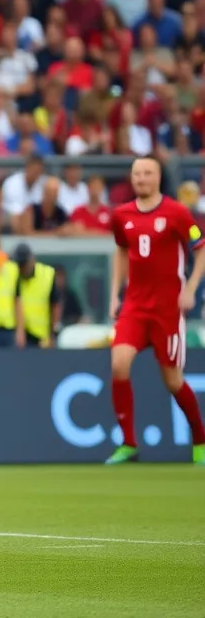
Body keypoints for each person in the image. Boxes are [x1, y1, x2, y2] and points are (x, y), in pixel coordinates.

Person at [105, 156, 205, 466]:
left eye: (147, 173)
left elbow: (201, 249)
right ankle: (128, 443)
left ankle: (200, 438)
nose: (141, 178)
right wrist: (115, 295)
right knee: (119, 364)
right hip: (135, 306)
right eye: (137, 173)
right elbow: (122, 251)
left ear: (158, 177)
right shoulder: (121, 215)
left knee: (173, 381)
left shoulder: (177, 213)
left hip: (167, 310)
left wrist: (190, 289)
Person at [14, 243, 59, 348]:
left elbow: (55, 305)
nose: (22, 268)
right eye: (19, 265)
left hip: (40, 337)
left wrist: (52, 333)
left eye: (24, 264)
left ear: (32, 260)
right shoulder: (14, 275)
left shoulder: (47, 275)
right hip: (18, 337)